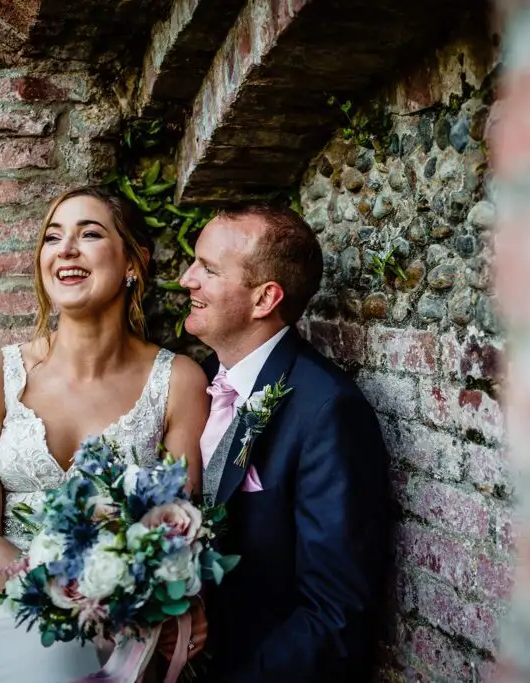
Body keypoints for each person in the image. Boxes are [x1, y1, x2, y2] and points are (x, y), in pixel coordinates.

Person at [0, 186, 210, 683]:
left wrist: (127, 604)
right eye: (53, 237)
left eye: (90, 234)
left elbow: (178, 527)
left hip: (115, 619)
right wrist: (65, 596)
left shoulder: (180, 382)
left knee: (57, 662)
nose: (65, 249)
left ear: (134, 262)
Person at [177, 204, 391, 683]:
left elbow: (334, 612)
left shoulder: (328, 410)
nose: (186, 279)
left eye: (208, 269)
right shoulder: (200, 382)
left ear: (264, 299)